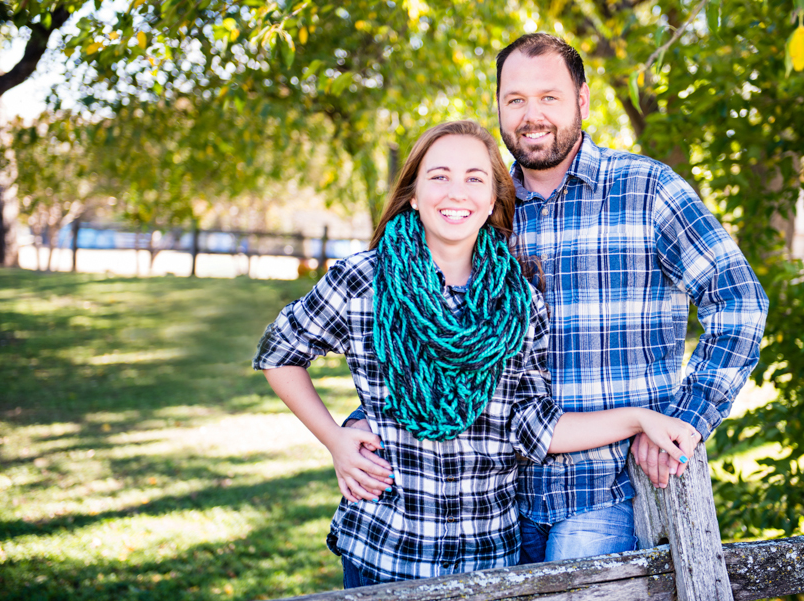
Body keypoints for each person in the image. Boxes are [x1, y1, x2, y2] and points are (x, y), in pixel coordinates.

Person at [345, 34, 769, 566]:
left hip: (605, 491)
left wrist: (682, 421)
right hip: (492, 500)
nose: (531, 115)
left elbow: (740, 304)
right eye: (515, 99)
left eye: (549, 97)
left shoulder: (647, 190)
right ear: (498, 105)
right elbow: (422, 323)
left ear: (583, 100)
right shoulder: (479, 203)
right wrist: (365, 419)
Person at [253, 120, 701, 587]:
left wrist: (637, 418)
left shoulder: (520, 302)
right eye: (439, 176)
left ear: (492, 201)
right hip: (384, 550)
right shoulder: (363, 280)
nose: (456, 192)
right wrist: (335, 439)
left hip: (488, 561)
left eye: (474, 179)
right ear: (412, 193)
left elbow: (530, 427)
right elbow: (279, 352)